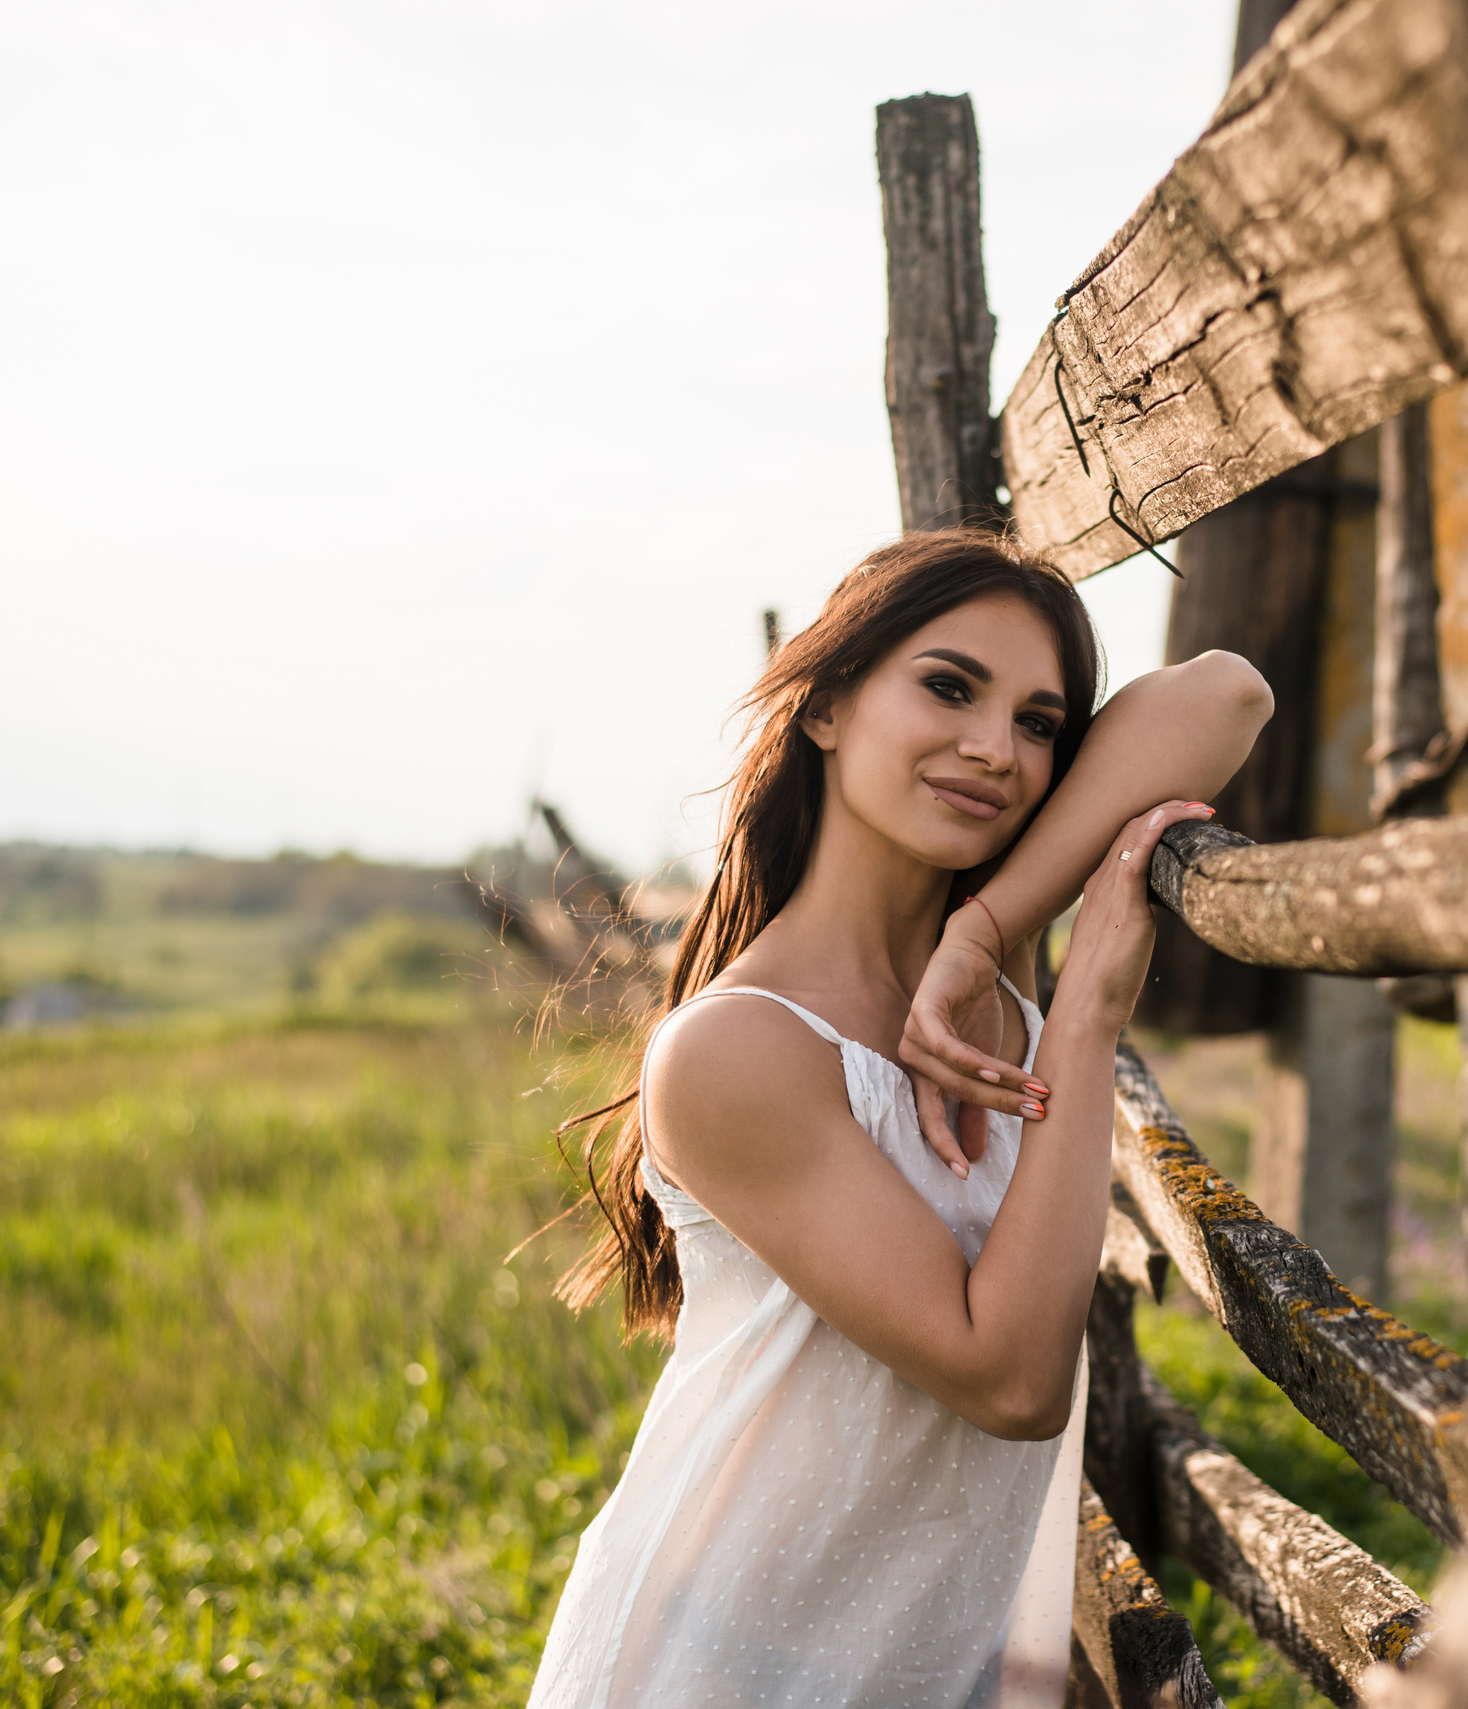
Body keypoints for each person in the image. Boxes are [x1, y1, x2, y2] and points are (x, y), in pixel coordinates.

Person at [527, 529, 1271, 1708]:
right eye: (947, 686)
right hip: (725, 1668)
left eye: (1039, 721)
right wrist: (1083, 1019)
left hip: (925, 1668)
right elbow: (1010, 1380)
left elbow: (1226, 692)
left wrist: (988, 928)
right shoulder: (739, 1047)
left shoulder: (985, 977)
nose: (995, 747)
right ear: (825, 705)